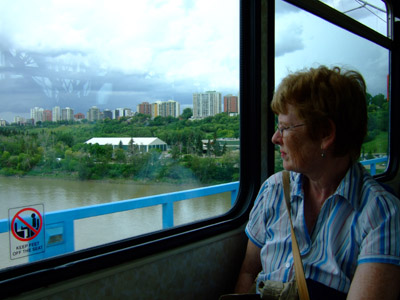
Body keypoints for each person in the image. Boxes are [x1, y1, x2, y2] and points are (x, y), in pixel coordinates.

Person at [235, 65, 400, 299]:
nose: (275, 138)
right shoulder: (273, 190)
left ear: (325, 134)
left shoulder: (381, 215)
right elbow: (248, 273)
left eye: (284, 127)